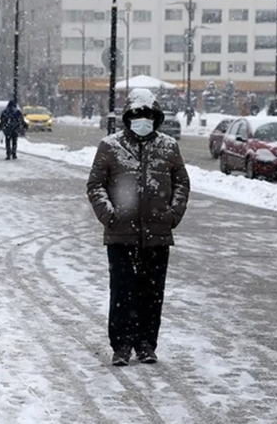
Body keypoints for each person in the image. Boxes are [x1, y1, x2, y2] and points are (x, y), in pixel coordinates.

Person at [86, 88, 190, 367]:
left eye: (147, 115)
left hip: (157, 234)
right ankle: (121, 345)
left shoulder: (168, 147)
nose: (142, 120)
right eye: (137, 115)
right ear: (128, 117)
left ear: (156, 118)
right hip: (121, 233)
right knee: (122, 291)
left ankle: (146, 343)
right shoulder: (110, 146)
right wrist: (110, 215)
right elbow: (95, 185)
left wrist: (172, 216)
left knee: (152, 292)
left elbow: (181, 183)